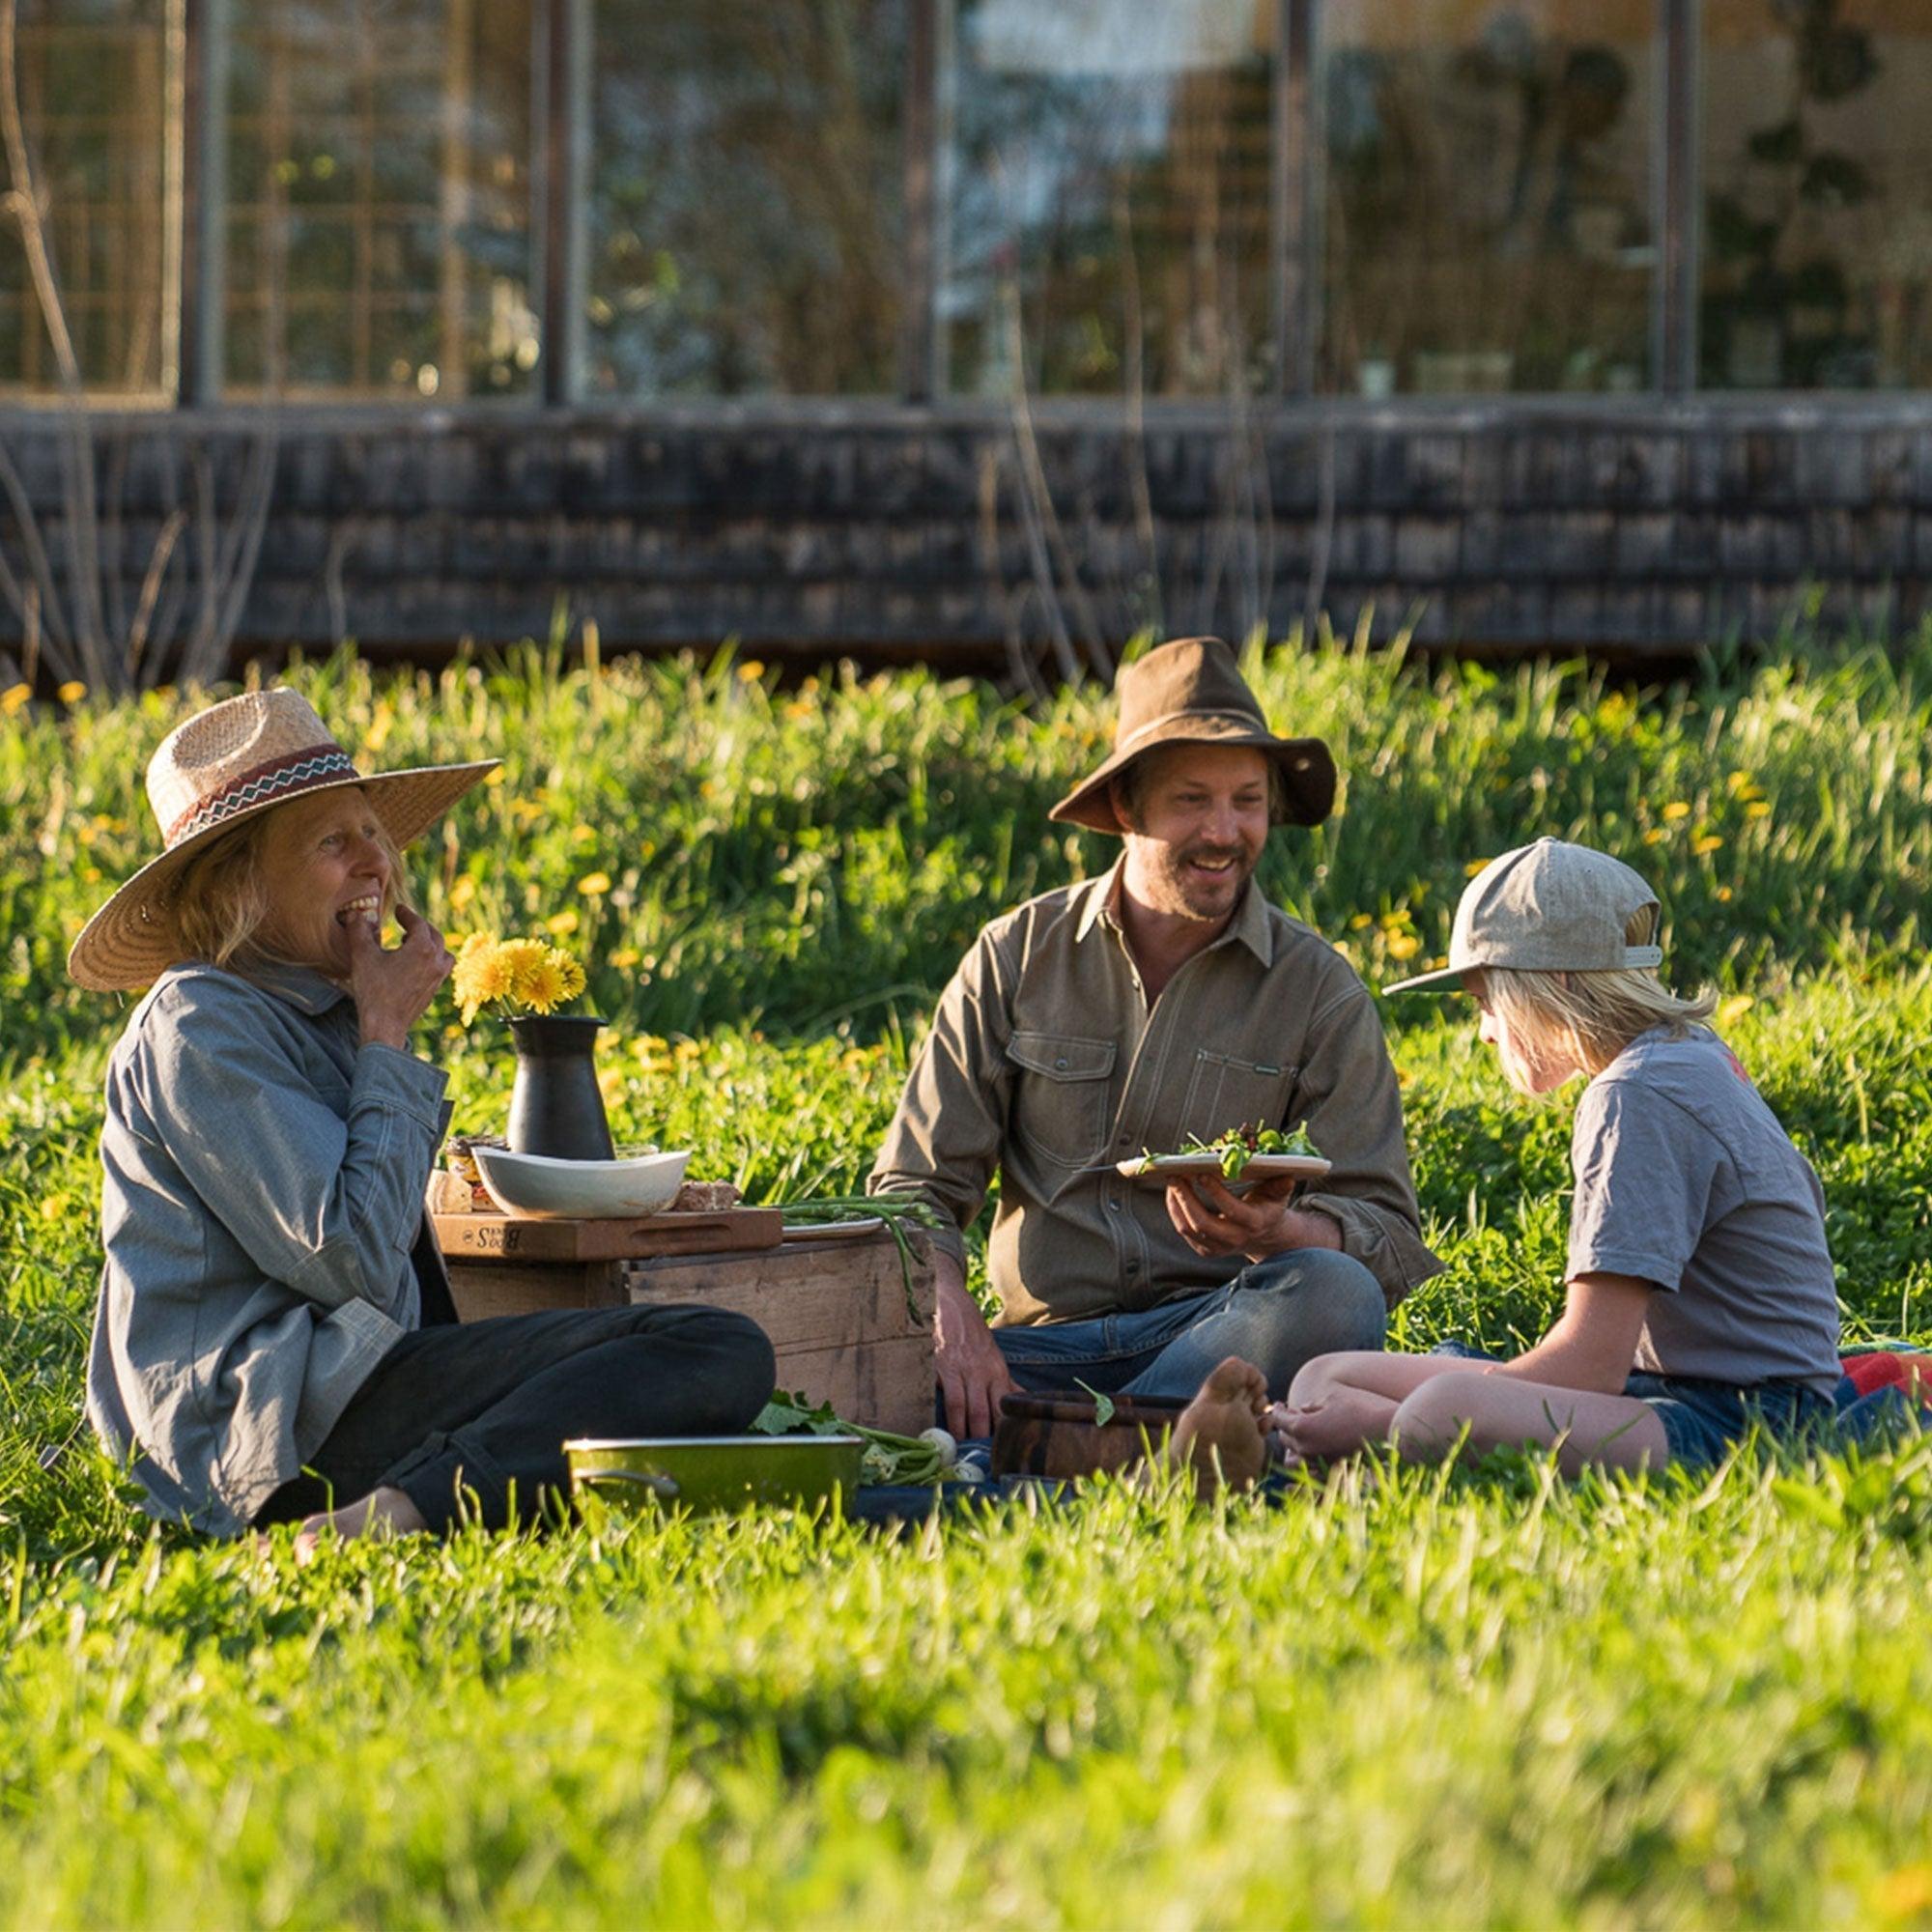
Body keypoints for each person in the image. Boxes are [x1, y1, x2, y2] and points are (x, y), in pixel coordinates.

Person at [72, 687, 776, 1549]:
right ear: (240, 887)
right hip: (257, 1428)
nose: (377, 862)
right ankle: (400, 1514)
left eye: (374, 831)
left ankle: (433, 1492)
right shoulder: (199, 1022)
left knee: (714, 1357)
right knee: (711, 1348)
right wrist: (388, 1035)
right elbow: (355, 1264)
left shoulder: (315, 1011)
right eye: (332, 842)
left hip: (351, 1385)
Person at [868, 637, 1440, 1437]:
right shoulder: (1016, 954)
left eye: (1247, 800)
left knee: (1333, 1296)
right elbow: (913, 1192)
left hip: (1217, 1330)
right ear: (1127, 810)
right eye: (1191, 801)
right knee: (854, 1363)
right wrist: (948, 1313)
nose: (1224, 831)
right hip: (1032, 1351)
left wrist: (1278, 1232)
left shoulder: (1318, 989)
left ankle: (1079, 1443)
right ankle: (1157, 1442)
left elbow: (1386, 1234)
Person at [1264, 837, 1842, 1477]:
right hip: (1670, 1391)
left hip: (1745, 1421)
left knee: (1445, 1407)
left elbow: (1592, 1364)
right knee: (1325, 1375)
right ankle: (1373, 1444)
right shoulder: (1683, 1056)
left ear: (1554, 983)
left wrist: (1401, 1417)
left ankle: (1377, 1446)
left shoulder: (1635, 1095)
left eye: (1488, 1001)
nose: (1484, 1029)